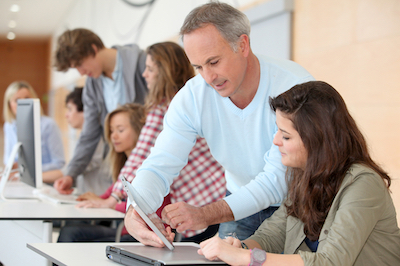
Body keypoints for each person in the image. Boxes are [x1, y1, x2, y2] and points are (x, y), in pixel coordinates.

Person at [124, 2, 314, 247]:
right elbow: (160, 164)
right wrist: (136, 210)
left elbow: (277, 181)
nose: (208, 78)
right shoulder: (193, 96)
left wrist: (205, 214)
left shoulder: (295, 85)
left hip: (297, 202)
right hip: (239, 201)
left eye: (214, 62)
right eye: (199, 67)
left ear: (243, 45)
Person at [198, 81, 400, 266]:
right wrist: (241, 247)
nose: (276, 141)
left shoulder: (363, 184)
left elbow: (331, 262)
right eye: (277, 131)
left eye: (285, 136)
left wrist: (246, 258)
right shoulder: (305, 175)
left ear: (316, 140)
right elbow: (274, 234)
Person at [111, 41, 226, 242]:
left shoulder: (166, 106)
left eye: (150, 69)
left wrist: (115, 196)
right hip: (217, 190)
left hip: (200, 197)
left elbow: (140, 156)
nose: (144, 75)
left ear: (164, 71)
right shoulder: (192, 99)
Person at [53, 28, 148, 194]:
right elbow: (89, 134)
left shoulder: (142, 63)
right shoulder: (92, 84)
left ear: (94, 49)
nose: (81, 72)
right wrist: (71, 174)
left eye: (80, 64)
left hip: (151, 162)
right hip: (122, 167)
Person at [57, 103, 165, 242]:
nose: (113, 136)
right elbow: (108, 196)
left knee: (73, 235)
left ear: (141, 132)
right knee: (70, 230)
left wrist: (111, 204)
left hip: (142, 235)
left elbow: (150, 207)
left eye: (120, 130)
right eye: (111, 130)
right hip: (124, 231)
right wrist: (93, 200)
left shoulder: (149, 166)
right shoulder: (125, 166)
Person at [43, 87, 112, 194]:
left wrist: (35, 177)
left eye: (70, 109)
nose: (66, 115)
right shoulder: (82, 139)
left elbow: (67, 172)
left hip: (98, 199)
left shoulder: (97, 141)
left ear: (86, 111)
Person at [2, 80, 65, 183]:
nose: (23, 103)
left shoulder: (48, 125)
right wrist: (13, 167)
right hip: (20, 181)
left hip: (45, 182)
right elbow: (8, 159)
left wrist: (27, 168)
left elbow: (59, 164)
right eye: (17, 100)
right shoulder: (9, 126)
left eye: (27, 98)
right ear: (9, 105)